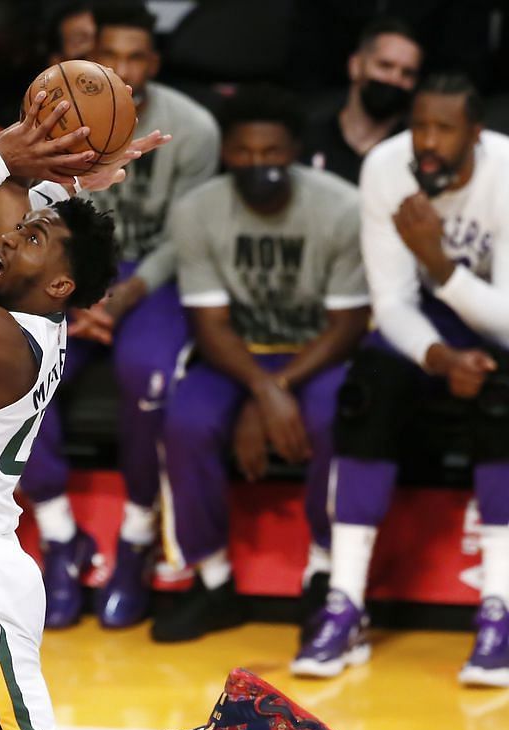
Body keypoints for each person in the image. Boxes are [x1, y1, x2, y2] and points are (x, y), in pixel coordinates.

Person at [0, 92, 342, 730]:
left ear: (61, 282)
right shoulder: (23, 309)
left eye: (33, 240)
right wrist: (62, 176)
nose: (12, 241)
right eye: (25, 233)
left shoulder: (3, 344)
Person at [300, 74, 509, 686]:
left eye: (444, 129)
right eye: (420, 126)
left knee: (503, 397)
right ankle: (345, 603)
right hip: (423, 329)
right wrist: (440, 359)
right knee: (368, 387)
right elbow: (389, 303)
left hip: (494, 326)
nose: (428, 142)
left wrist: (441, 266)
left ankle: (498, 607)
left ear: (476, 134)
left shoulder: (507, 175)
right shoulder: (387, 168)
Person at [20, 0, 221, 629]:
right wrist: (75, 290)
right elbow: (35, 220)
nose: (124, 68)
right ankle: (60, 537)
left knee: (147, 375)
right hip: (70, 270)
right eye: (111, 54)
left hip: (153, 278)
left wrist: (125, 294)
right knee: (19, 368)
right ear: (87, 53)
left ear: (154, 61)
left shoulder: (194, 128)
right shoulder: (47, 119)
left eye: (137, 56)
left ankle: (136, 537)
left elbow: (189, 238)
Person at [157, 86, 369, 643]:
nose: (258, 164)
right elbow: (209, 324)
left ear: (294, 151)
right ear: (227, 153)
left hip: (316, 353)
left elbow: (347, 325)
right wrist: (263, 390)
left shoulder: (343, 207)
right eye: (245, 153)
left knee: (332, 419)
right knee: (185, 423)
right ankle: (213, 580)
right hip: (237, 357)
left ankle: (326, 573)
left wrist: (276, 389)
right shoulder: (197, 211)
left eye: (271, 153)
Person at [301, 17, 423, 185]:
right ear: (355, 66)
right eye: (385, 66)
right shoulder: (308, 136)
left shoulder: (414, 153)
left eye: (407, 73)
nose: (395, 79)